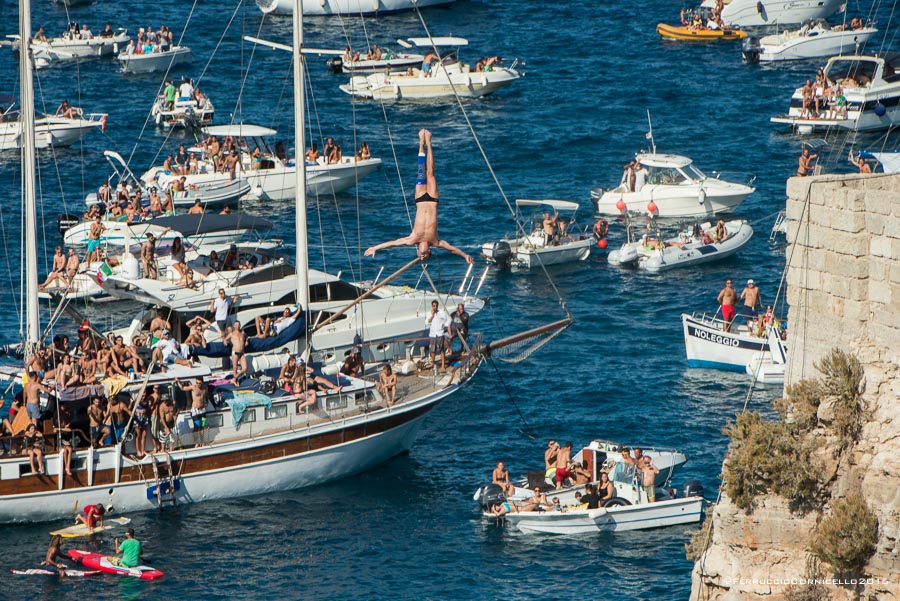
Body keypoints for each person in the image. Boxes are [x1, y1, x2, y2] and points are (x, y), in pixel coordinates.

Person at [364, 130, 474, 263]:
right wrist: (465, 255)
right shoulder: (436, 241)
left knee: (421, 170)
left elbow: (393, 243)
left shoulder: (412, 239)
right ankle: (429, 142)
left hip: (420, 198)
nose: (421, 256)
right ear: (429, 251)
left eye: (420, 257)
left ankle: (421, 143)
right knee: (431, 173)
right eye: (424, 256)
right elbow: (452, 249)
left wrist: (375, 248)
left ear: (417, 251)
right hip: (433, 200)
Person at [178, 377, 208, 448]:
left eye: (199, 383)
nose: (198, 385)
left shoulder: (205, 388)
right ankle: (196, 442)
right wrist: (178, 381)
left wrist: (206, 403)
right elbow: (182, 388)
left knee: (202, 427)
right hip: (195, 411)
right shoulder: (193, 387)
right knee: (196, 427)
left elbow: (206, 396)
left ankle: (202, 441)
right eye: (197, 383)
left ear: (202, 383)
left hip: (203, 410)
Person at [426, 300, 450, 370]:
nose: (435, 307)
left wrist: (444, 325)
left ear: (437, 306)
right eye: (433, 306)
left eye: (436, 306)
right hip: (433, 334)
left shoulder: (441, 313)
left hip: (440, 334)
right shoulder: (429, 313)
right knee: (433, 350)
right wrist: (432, 316)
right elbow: (427, 323)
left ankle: (443, 365)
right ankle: (432, 363)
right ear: (432, 306)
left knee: (441, 350)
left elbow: (449, 319)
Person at [55, 405, 75, 475]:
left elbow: (69, 430)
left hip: (66, 442)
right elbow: (54, 430)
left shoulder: (65, 425)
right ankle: (66, 466)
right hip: (60, 442)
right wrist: (60, 429)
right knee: (65, 451)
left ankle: (67, 467)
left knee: (70, 449)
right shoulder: (57, 422)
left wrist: (60, 429)